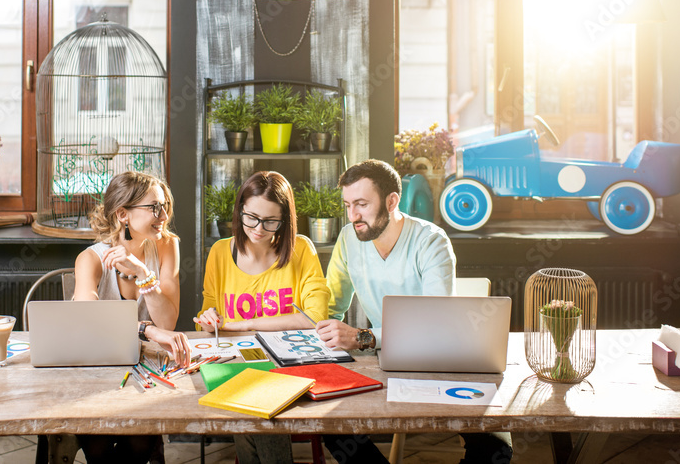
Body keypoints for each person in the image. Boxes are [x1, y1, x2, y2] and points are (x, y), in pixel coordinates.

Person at [316, 159, 512, 464]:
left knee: (496, 447)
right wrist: (317, 331)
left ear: (392, 201)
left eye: (362, 204)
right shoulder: (348, 239)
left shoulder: (431, 241)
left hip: (443, 360)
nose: (353, 215)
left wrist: (363, 337)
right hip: (383, 362)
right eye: (347, 204)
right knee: (333, 427)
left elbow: (436, 324)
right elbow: (331, 307)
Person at [194, 171, 329, 464]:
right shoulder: (219, 252)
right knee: (249, 396)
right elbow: (208, 316)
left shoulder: (301, 249)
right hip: (238, 366)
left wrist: (244, 324)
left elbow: (315, 318)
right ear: (240, 209)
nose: (258, 228)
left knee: (256, 402)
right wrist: (210, 319)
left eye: (270, 221)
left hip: (291, 365)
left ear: (285, 220)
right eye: (251, 217)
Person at [72, 171, 190, 464]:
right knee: (97, 446)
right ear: (123, 214)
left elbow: (168, 323)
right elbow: (90, 324)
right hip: (96, 376)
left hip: (147, 377)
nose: (163, 215)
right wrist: (147, 331)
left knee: (139, 439)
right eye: (153, 207)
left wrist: (143, 273)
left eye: (164, 206)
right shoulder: (90, 259)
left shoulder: (166, 246)